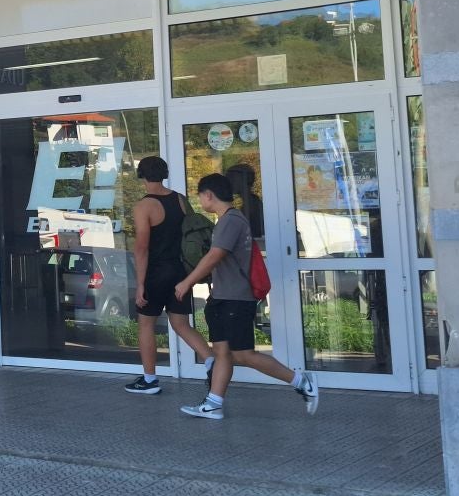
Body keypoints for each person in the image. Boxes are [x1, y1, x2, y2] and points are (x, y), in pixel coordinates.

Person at [174, 173, 320, 420]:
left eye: (200, 196)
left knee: (244, 354)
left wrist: (187, 281)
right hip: (222, 296)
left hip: (236, 298)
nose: (200, 202)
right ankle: (214, 403)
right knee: (222, 352)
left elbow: (214, 256)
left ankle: (301, 381)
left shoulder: (232, 220)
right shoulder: (224, 221)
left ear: (208, 194)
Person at [122, 156, 214, 395]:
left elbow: (142, 247)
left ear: (142, 176)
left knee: (146, 324)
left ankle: (150, 380)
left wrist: (140, 284)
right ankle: (211, 362)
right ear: (164, 173)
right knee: (181, 323)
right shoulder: (181, 200)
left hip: (157, 272)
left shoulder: (144, 206)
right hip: (181, 271)